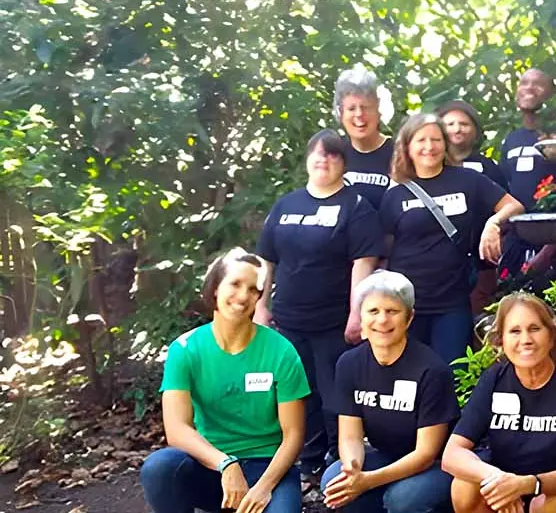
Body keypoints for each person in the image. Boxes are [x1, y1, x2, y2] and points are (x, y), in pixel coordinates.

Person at [254, 129, 384, 478]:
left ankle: (339, 463)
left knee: (334, 394)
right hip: (288, 319)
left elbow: (363, 263)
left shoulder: (356, 206)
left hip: (333, 321)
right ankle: (307, 461)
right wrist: (261, 306)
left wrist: (357, 314)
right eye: (318, 153)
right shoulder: (286, 205)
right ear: (307, 159)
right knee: (298, 393)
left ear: (344, 163)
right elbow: (266, 260)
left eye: (332, 154)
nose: (323, 160)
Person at [141, 249, 310, 513]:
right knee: (159, 468)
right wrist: (225, 463)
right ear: (215, 288)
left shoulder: (281, 351)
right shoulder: (185, 349)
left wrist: (263, 488)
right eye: (235, 284)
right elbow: (176, 429)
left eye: (253, 289)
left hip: (268, 467)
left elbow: (294, 435)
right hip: (211, 465)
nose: (243, 296)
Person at [442, 293, 556, 513]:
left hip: (554, 491)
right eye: (515, 331)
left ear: (551, 336)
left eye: (534, 329)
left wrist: (527, 484)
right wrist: (499, 480)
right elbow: (452, 454)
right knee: (464, 486)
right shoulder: (494, 379)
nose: (526, 340)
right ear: (501, 340)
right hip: (504, 483)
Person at [380, 114, 524, 367]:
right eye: (421, 140)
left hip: (452, 301)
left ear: (445, 144)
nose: (429, 146)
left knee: (453, 372)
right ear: (407, 147)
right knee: (409, 372)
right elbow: (384, 251)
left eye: (436, 140)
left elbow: (514, 206)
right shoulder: (396, 194)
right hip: (406, 304)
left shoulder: (467, 180)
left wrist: (493, 223)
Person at [320, 270, 458, 513]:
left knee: (401, 500)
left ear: (409, 318)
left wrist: (368, 481)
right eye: (373, 311)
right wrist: (352, 471)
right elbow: (350, 436)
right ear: (361, 317)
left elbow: (426, 453)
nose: (382, 320)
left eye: (392, 311)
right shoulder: (349, 364)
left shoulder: (432, 370)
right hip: (385, 454)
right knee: (333, 481)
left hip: (435, 464)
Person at [436, 100, 509, 316]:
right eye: (450, 124)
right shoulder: (429, 167)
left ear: (475, 130)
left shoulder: (487, 167)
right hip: (440, 261)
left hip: (482, 257)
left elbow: (507, 205)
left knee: (480, 312)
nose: (457, 129)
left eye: (464, 124)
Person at [498, 68, 556, 279]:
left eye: (538, 84)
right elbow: (503, 189)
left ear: (552, 94)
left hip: (555, 245)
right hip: (517, 243)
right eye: (524, 83)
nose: (529, 88)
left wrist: (548, 250)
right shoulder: (511, 140)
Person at [335, 66, 394, 210]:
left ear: (379, 111)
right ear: (340, 114)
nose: (359, 114)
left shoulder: (399, 152)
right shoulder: (334, 152)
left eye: (366, 107)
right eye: (351, 108)